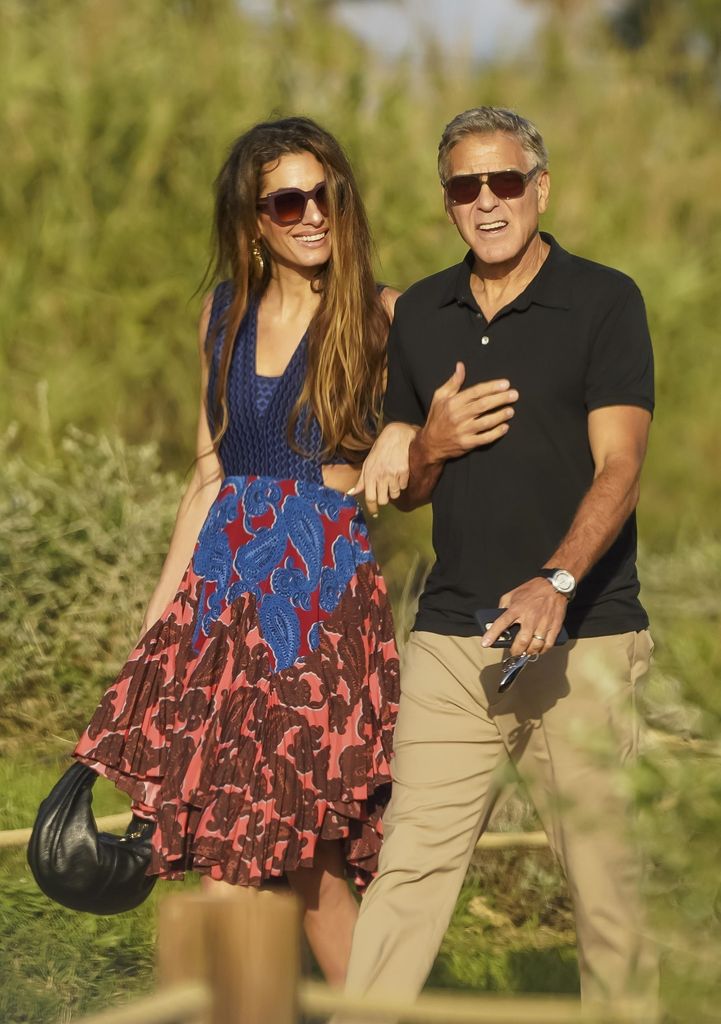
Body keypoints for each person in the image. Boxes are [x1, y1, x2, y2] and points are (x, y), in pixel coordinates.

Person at [73, 116, 407, 987]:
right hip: (222, 600)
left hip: (318, 601)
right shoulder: (221, 313)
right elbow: (207, 472)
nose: (309, 215)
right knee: (226, 850)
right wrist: (158, 623)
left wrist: (403, 435)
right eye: (285, 200)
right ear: (254, 221)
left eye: (322, 193)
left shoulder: (382, 316)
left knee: (314, 870)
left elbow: (420, 442)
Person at [344, 106, 659, 1016]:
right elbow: (409, 489)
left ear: (540, 186)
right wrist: (429, 443)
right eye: (464, 186)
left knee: (606, 894)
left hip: (585, 642)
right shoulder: (422, 316)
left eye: (505, 181)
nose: (487, 202)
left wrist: (557, 580)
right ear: (446, 202)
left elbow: (622, 466)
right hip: (451, 640)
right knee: (406, 875)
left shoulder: (605, 300)